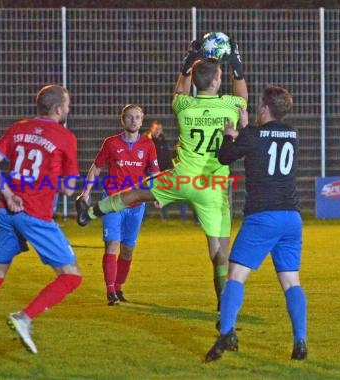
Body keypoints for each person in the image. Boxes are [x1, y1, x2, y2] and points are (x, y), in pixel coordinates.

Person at [76, 39, 248, 320]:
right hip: (212, 187)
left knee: (135, 193)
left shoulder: (185, 106)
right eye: (220, 75)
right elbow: (243, 96)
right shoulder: (229, 106)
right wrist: (237, 67)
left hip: (181, 178)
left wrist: (188, 61)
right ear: (218, 81)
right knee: (219, 251)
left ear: (196, 83)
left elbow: (179, 89)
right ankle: (223, 307)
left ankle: (91, 211)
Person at [205, 86, 307, 362]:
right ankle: (300, 341)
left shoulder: (252, 135)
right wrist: (247, 128)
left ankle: (226, 333)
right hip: (292, 218)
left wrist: (229, 135)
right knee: (291, 282)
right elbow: (263, 145)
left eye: (260, 106)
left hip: (263, 217)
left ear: (264, 109)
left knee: (235, 276)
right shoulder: (292, 135)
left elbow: (225, 156)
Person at [0, 84, 82, 354]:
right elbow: (69, 188)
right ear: (58, 109)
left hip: (6, 211)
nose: (69, 109)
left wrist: (9, 194)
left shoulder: (18, 128)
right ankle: (24, 317)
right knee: (71, 276)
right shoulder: (65, 137)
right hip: (35, 215)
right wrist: (60, 182)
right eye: (68, 105)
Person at [78, 104, 159, 306]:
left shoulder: (148, 145)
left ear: (142, 121)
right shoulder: (111, 143)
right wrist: (85, 193)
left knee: (128, 249)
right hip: (112, 202)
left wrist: (159, 194)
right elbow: (95, 168)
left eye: (137, 117)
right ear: (122, 120)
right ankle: (110, 290)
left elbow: (154, 174)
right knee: (112, 244)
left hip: (136, 205)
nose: (133, 120)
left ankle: (119, 287)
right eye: (130, 117)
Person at [143, 120, 170, 219]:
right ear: (151, 129)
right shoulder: (145, 140)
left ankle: (164, 217)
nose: (158, 131)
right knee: (145, 193)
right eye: (156, 128)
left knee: (162, 193)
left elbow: (166, 154)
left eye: (160, 129)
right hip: (148, 172)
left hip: (161, 172)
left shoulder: (162, 139)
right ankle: (143, 217)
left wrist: (167, 167)